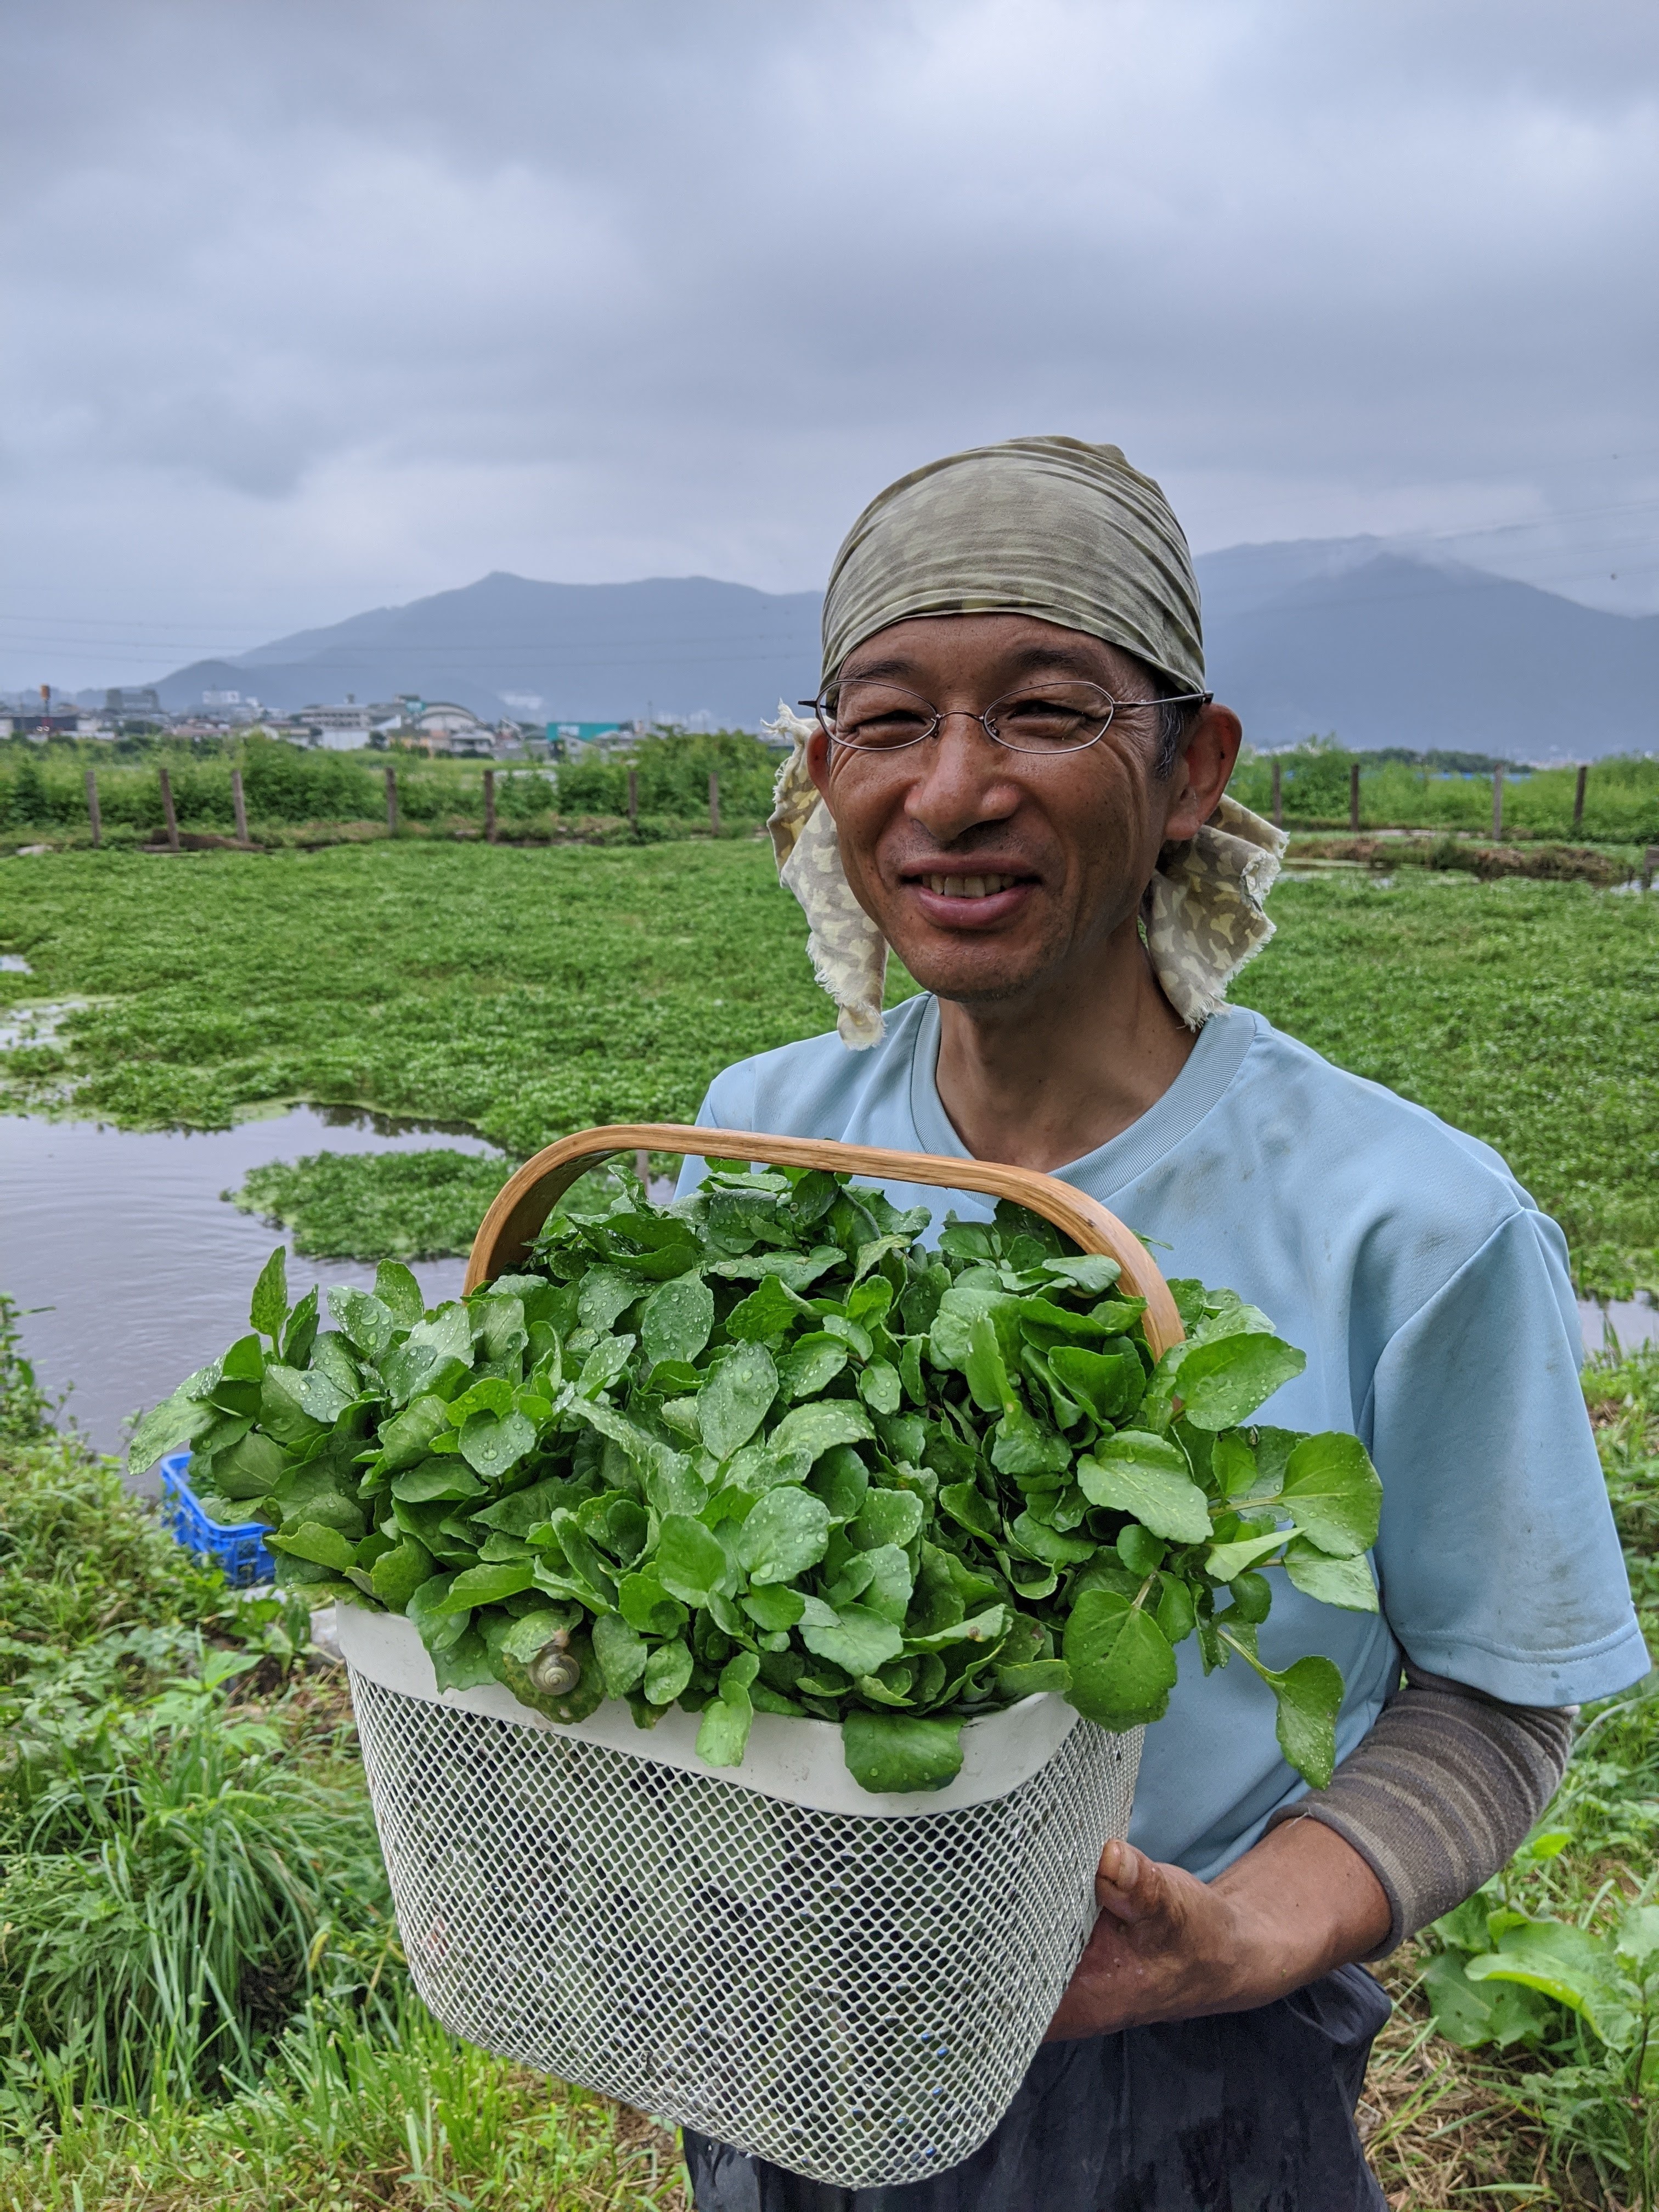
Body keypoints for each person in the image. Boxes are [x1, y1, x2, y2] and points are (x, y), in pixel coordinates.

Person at [676, 438, 1647, 2211]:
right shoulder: (755, 1137)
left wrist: (1240, 1939)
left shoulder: (1408, 1220)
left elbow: (1502, 1704)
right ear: (822, 775)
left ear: (1192, 767)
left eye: (1045, 712)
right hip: (784, 2030)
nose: (954, 794)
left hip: (1187, 2093)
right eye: (888, 724)